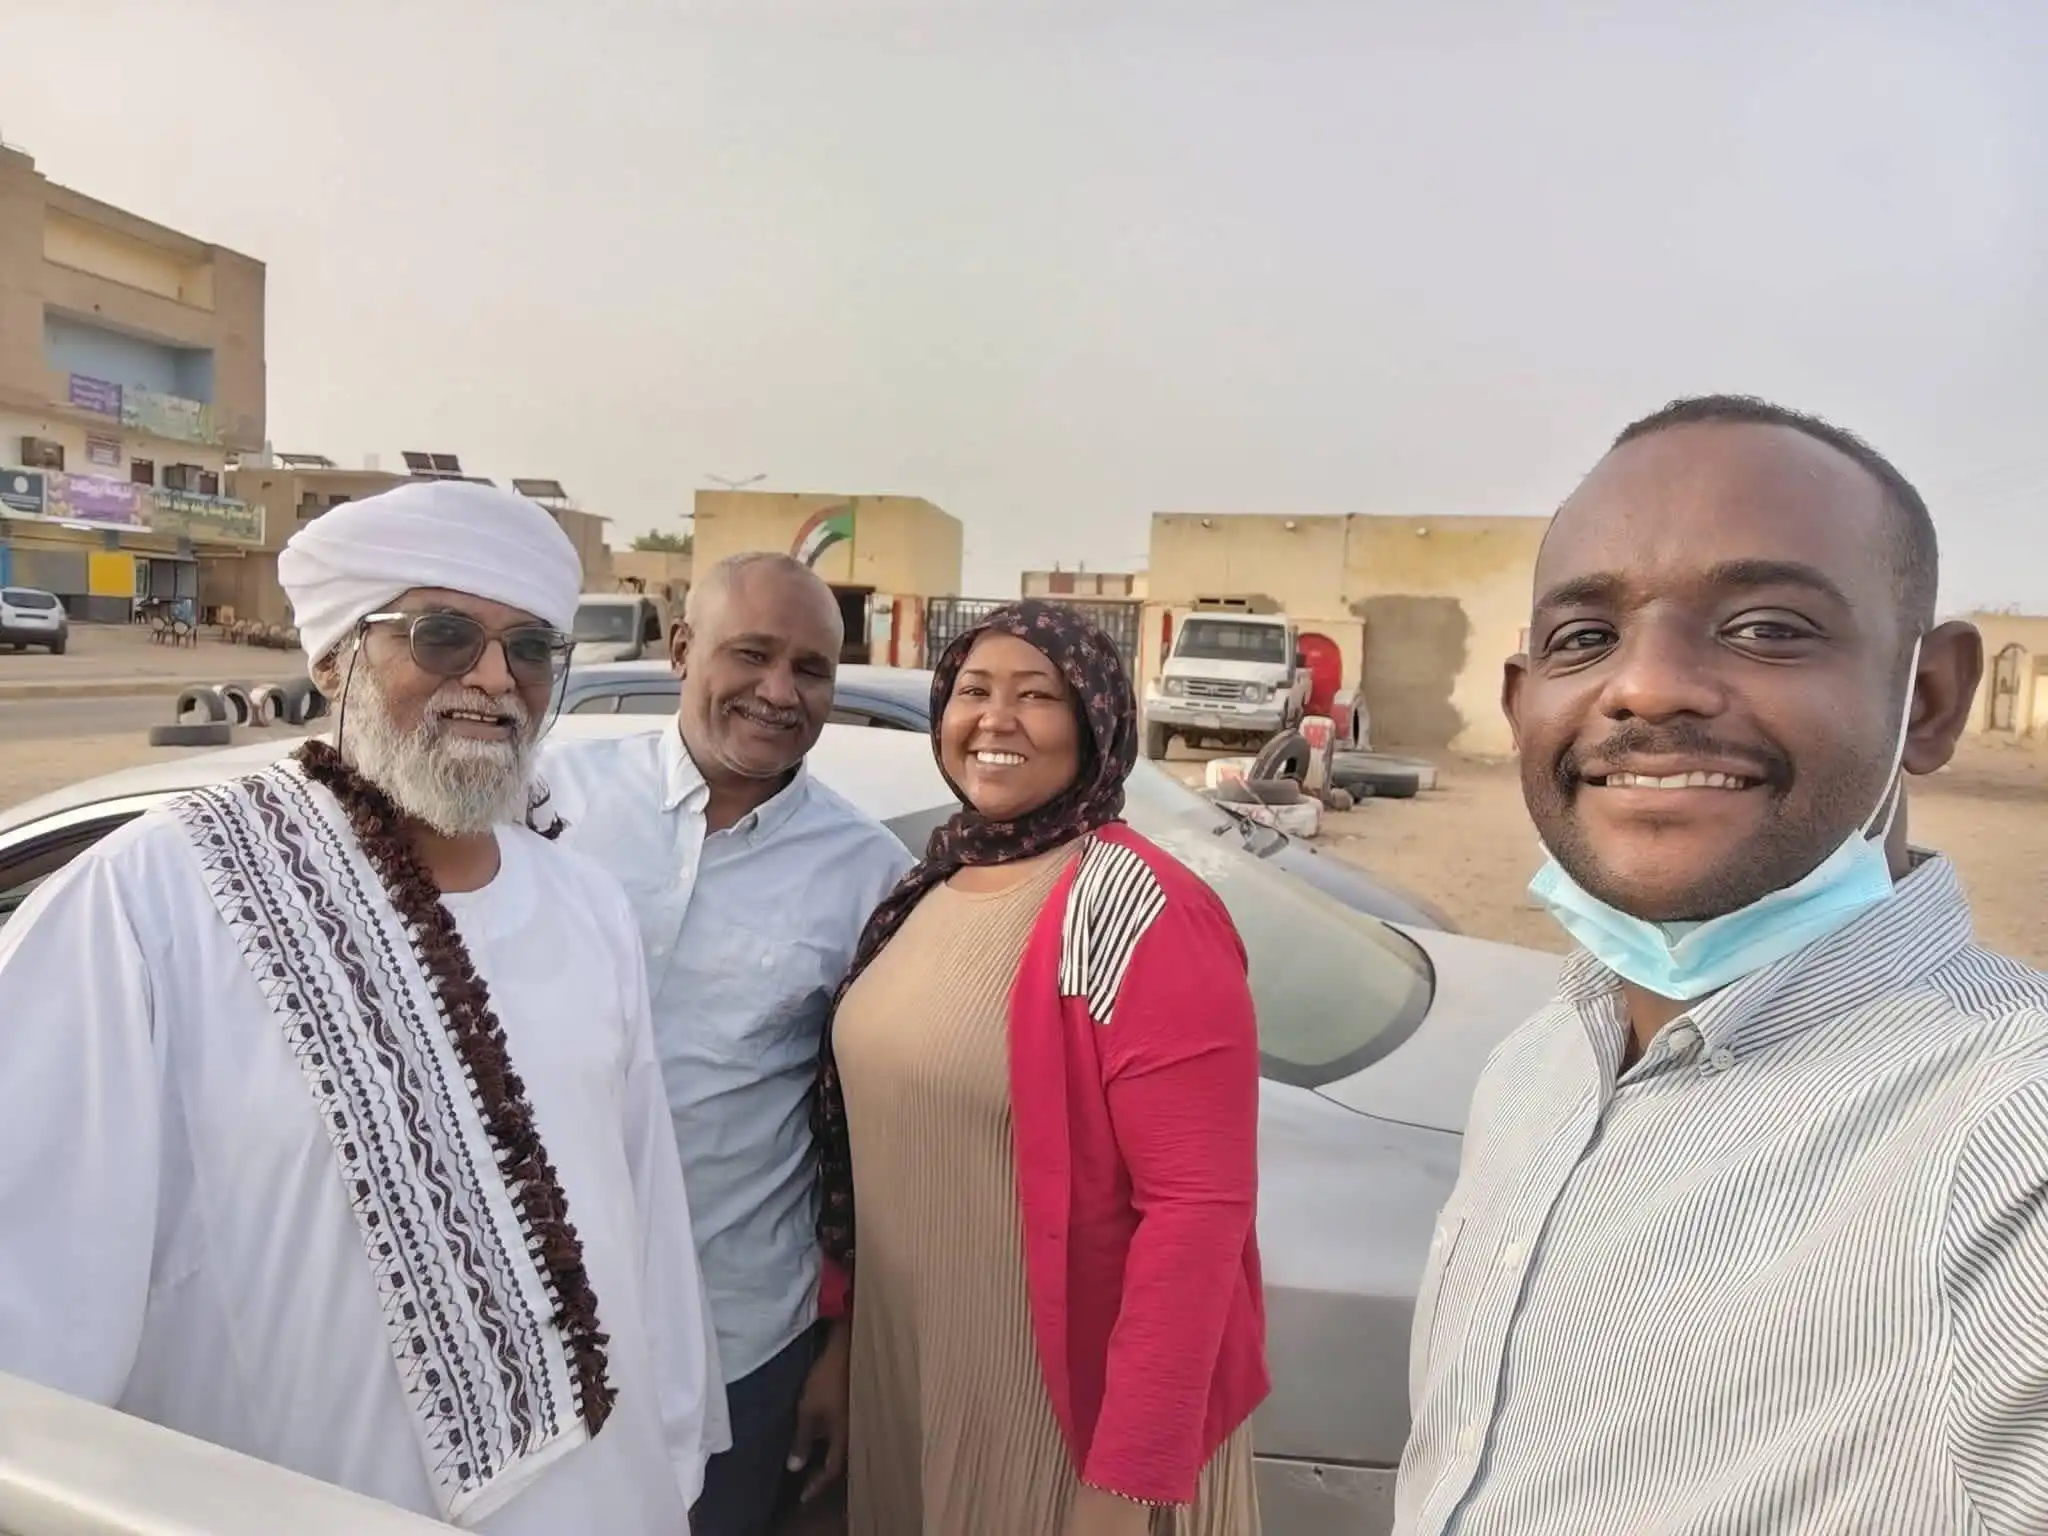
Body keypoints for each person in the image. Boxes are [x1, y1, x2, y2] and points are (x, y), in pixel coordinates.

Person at [0, 480, 727, 1533]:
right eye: (443, 635)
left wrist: (667, 1450)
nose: (495, 677)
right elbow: (32, 1301)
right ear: (334, 658)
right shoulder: (151, 899)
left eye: (530, 648)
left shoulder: (586, 905)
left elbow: (642, 1209)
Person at [1396, 396, 2048, 1536]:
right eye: (1582, 639)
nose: (1645, 687)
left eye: (1766, 627)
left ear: (1928, 699)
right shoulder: (1537, 1068)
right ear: (1519, 703)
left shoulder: (2012, 1147)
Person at [810, 600, 1269, 1536]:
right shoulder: (930, 884)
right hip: (915, 1385)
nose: (996, 719)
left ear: (1095, 720)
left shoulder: (1135, 906)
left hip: (1063, 1425)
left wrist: (1124, 1486)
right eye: (973, 691)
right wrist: (844, 1339)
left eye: (1036, 696)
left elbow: (1196, 1213)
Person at [542, 551, 913, 1536]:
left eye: (811, 669)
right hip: (524, 1313)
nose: (779, 692)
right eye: (751, 654)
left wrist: (843, 1342)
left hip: (738, 1339)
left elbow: (873, 1136)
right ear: (680, 650)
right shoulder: (546, 804)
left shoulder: (869, 876)